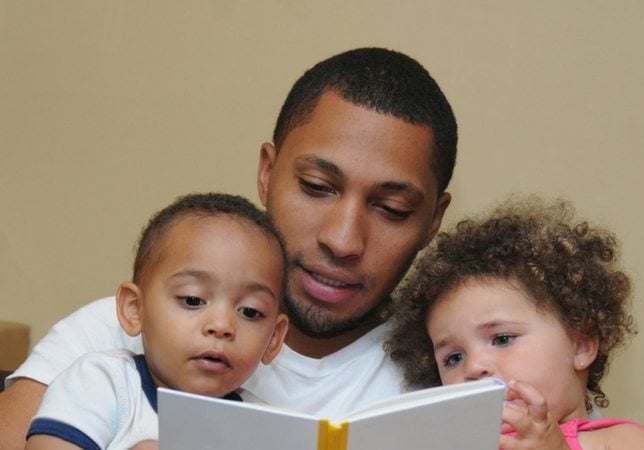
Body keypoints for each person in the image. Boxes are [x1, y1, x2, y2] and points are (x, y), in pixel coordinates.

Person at [0, 47, 457, 449]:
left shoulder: (453, 371)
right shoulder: (114, 337)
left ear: (433, 220)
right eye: (317, 186)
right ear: (267, 173)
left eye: (392, 208)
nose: (342, 240)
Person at [388, 196, 644, 449]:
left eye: (502, 339)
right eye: (453, 358)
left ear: (581, 345)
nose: (473, 367)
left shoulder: (621, 442)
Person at [24, 193, 289, 449]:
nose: (221, 326)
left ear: (274, 340)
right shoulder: (103, 384)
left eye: (250, 312)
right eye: (192, 300)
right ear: (134, 309)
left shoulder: (265, 428)